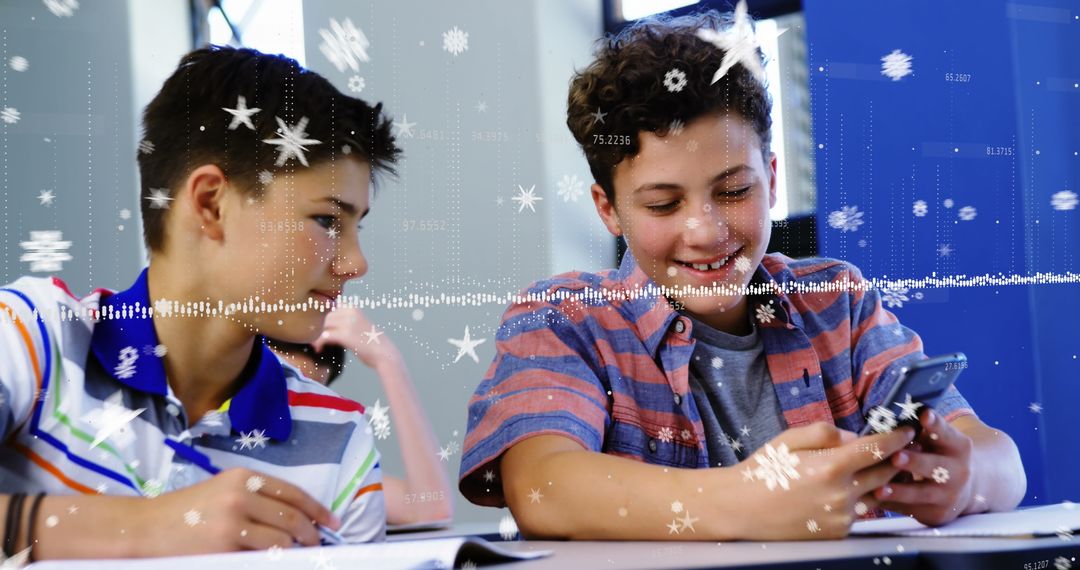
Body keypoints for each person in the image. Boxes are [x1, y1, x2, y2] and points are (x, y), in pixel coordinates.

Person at [459, 9, 1026, 541]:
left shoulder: (836, 301)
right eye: (662, 204)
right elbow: (541, 486)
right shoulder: (566, 319)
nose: (705, 232)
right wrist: (748, 499)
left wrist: (964, 476)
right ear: (608, 208)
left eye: (733, 191)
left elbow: (1002, 459)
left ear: (772, 180)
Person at [0, 45, 401, 560]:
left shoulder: (340, 439)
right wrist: (147, 528)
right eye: (327, 220)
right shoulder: (32, 336)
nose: (356, 263)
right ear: (211, 203)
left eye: (356, 226)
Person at [267, 306, 453, 527]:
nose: (290, 417)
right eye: (282, 389)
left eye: (311, 400)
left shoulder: (319, 475)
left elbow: (431, 510)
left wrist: (388, 361)